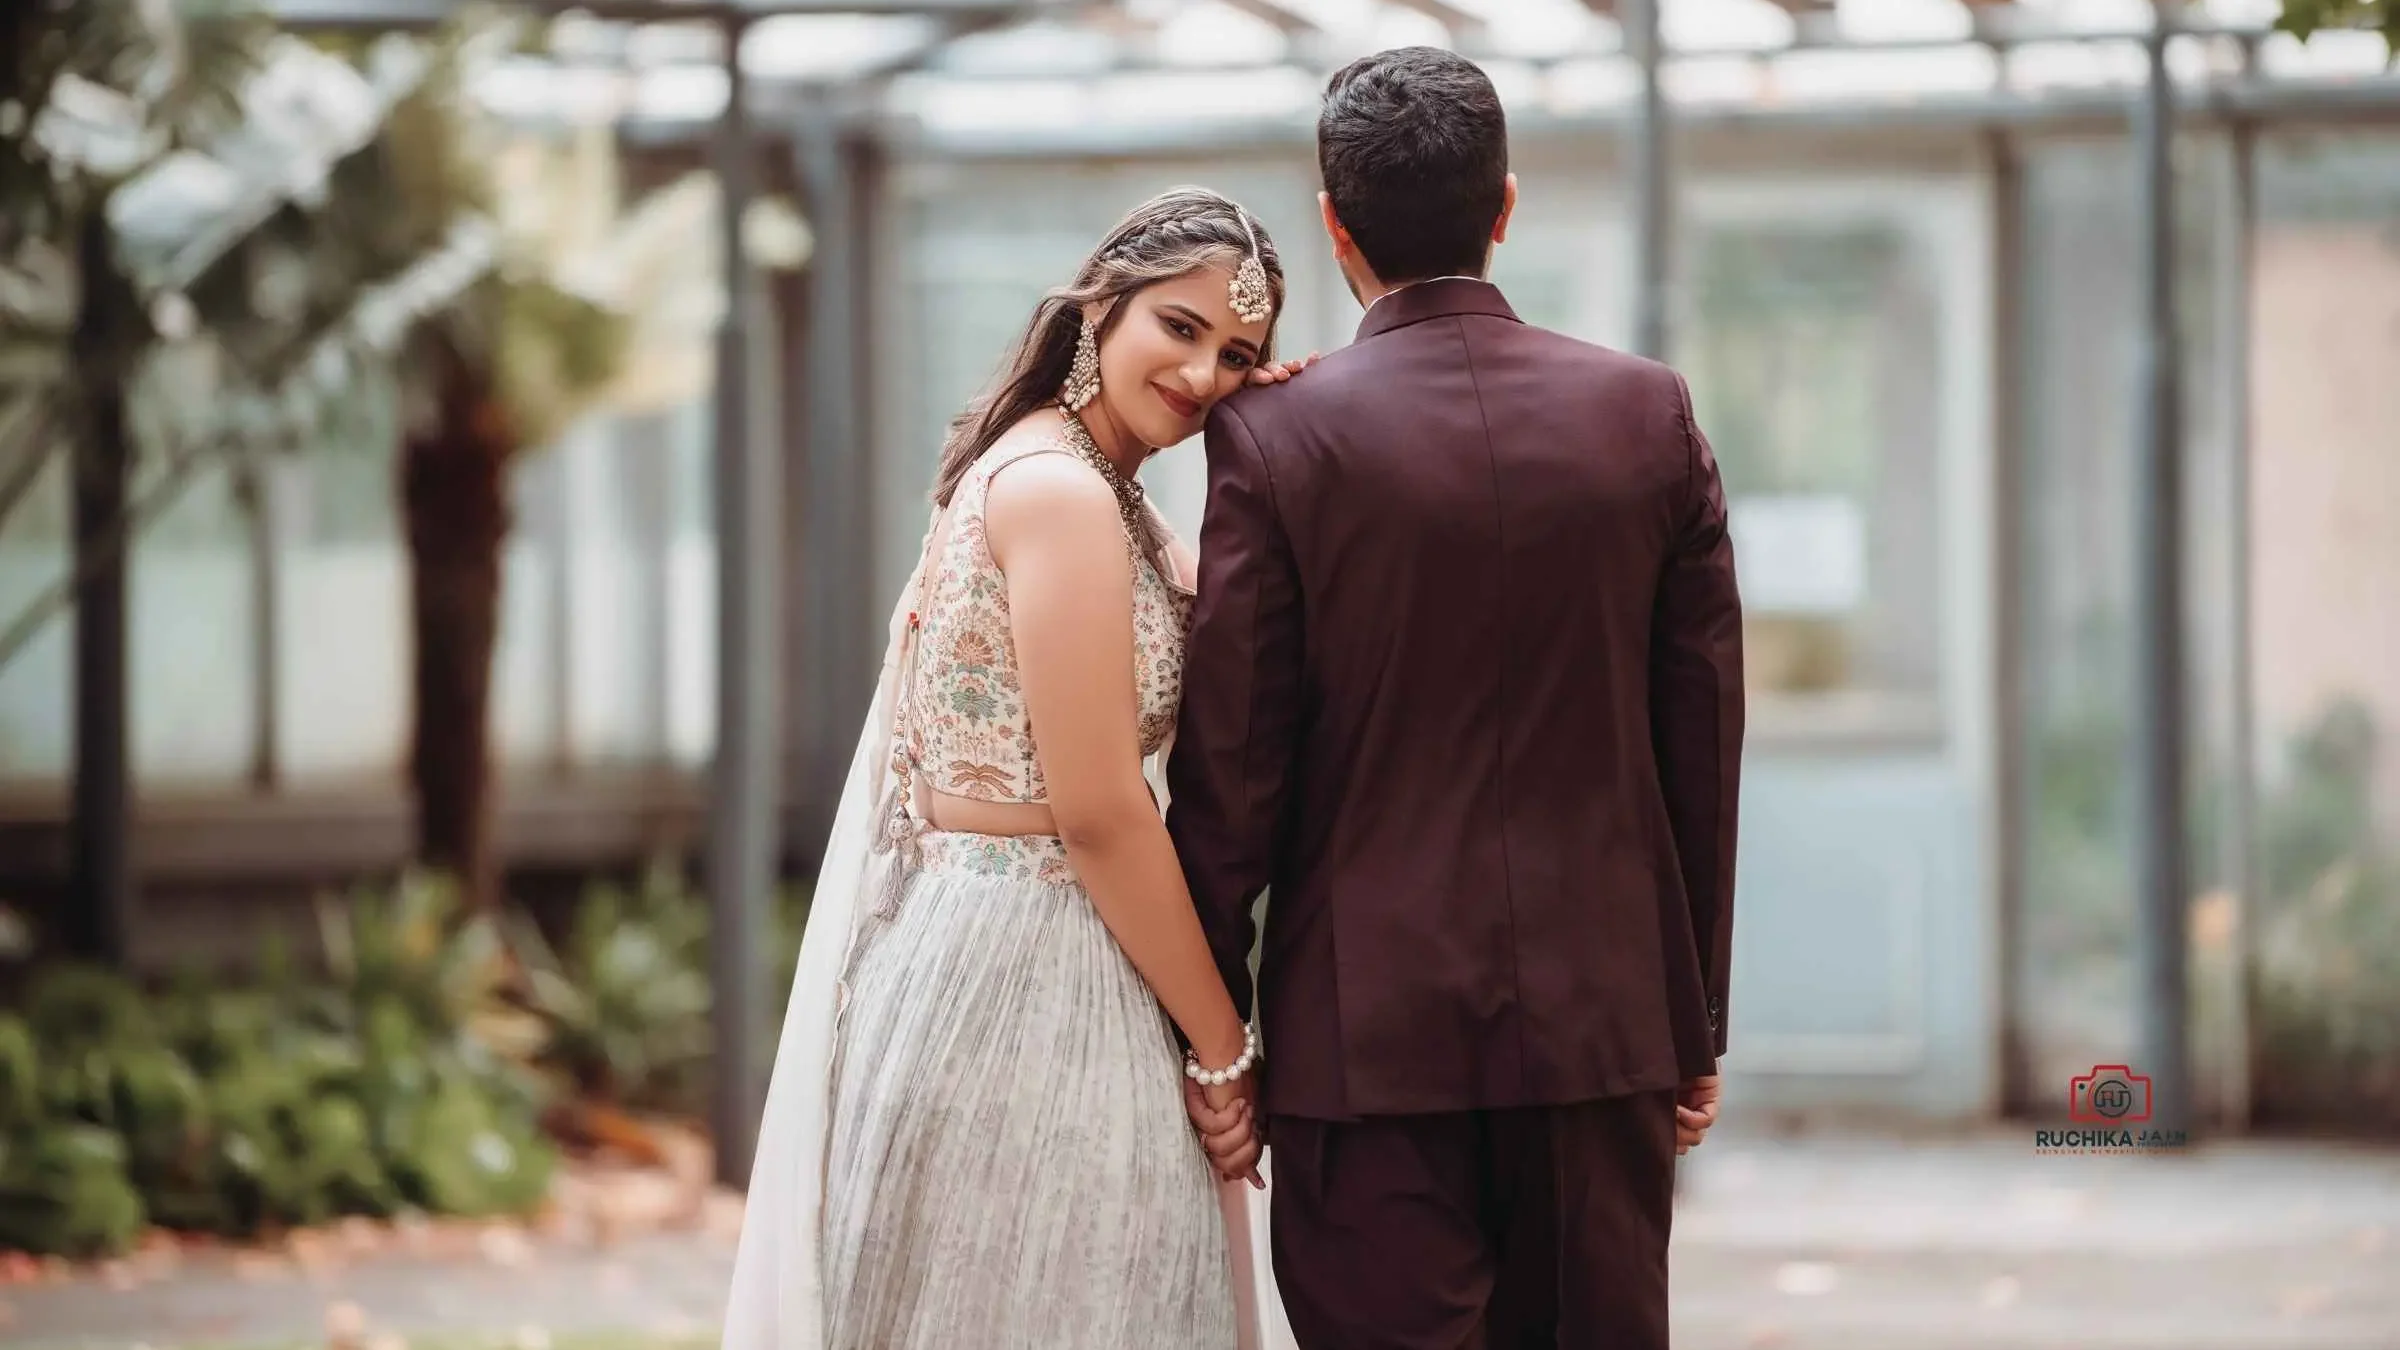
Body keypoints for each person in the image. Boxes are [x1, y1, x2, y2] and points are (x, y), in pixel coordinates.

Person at [1168, 47, 1745, 1350]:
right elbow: (1699, 740)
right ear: (1505, 206)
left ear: (1333, 224)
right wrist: (1691, 1016)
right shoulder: (1647, 414)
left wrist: (1220, 1034)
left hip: (1360, 1056)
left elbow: (1232, 771)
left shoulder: (1275, 435)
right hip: (1605, 1038)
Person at [721, 186, 1311, 1350]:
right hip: (1023, 974)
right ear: (1102, 306)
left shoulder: (1096, 492)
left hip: (1025, 948)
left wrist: (1291, 418)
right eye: (1180, 329)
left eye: (1238, 355)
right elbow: (1096, 812)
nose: (1202, 377)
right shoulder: (1061, 495)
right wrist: (1223, 1050)